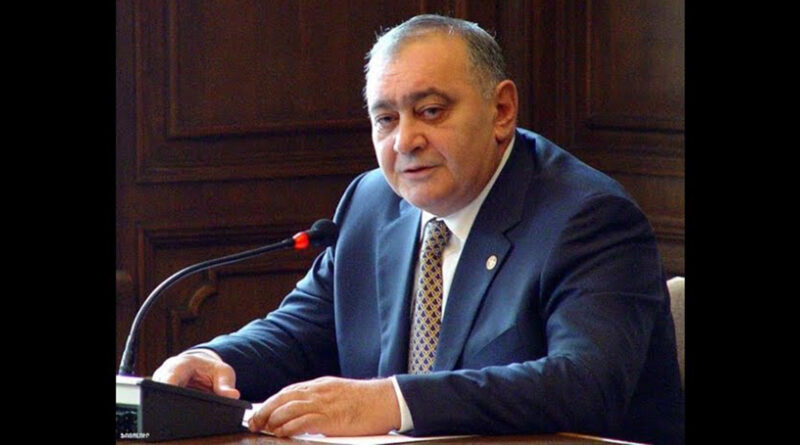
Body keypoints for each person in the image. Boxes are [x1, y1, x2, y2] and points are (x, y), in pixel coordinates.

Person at [153, 14, 684, 444]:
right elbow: (300, 331)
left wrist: (392, 401)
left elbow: (585, 385)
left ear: (501, 110)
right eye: (386, 119)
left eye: (430, 111)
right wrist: (214, 360)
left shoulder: (587, 217)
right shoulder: (371, 202)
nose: (405, 141)